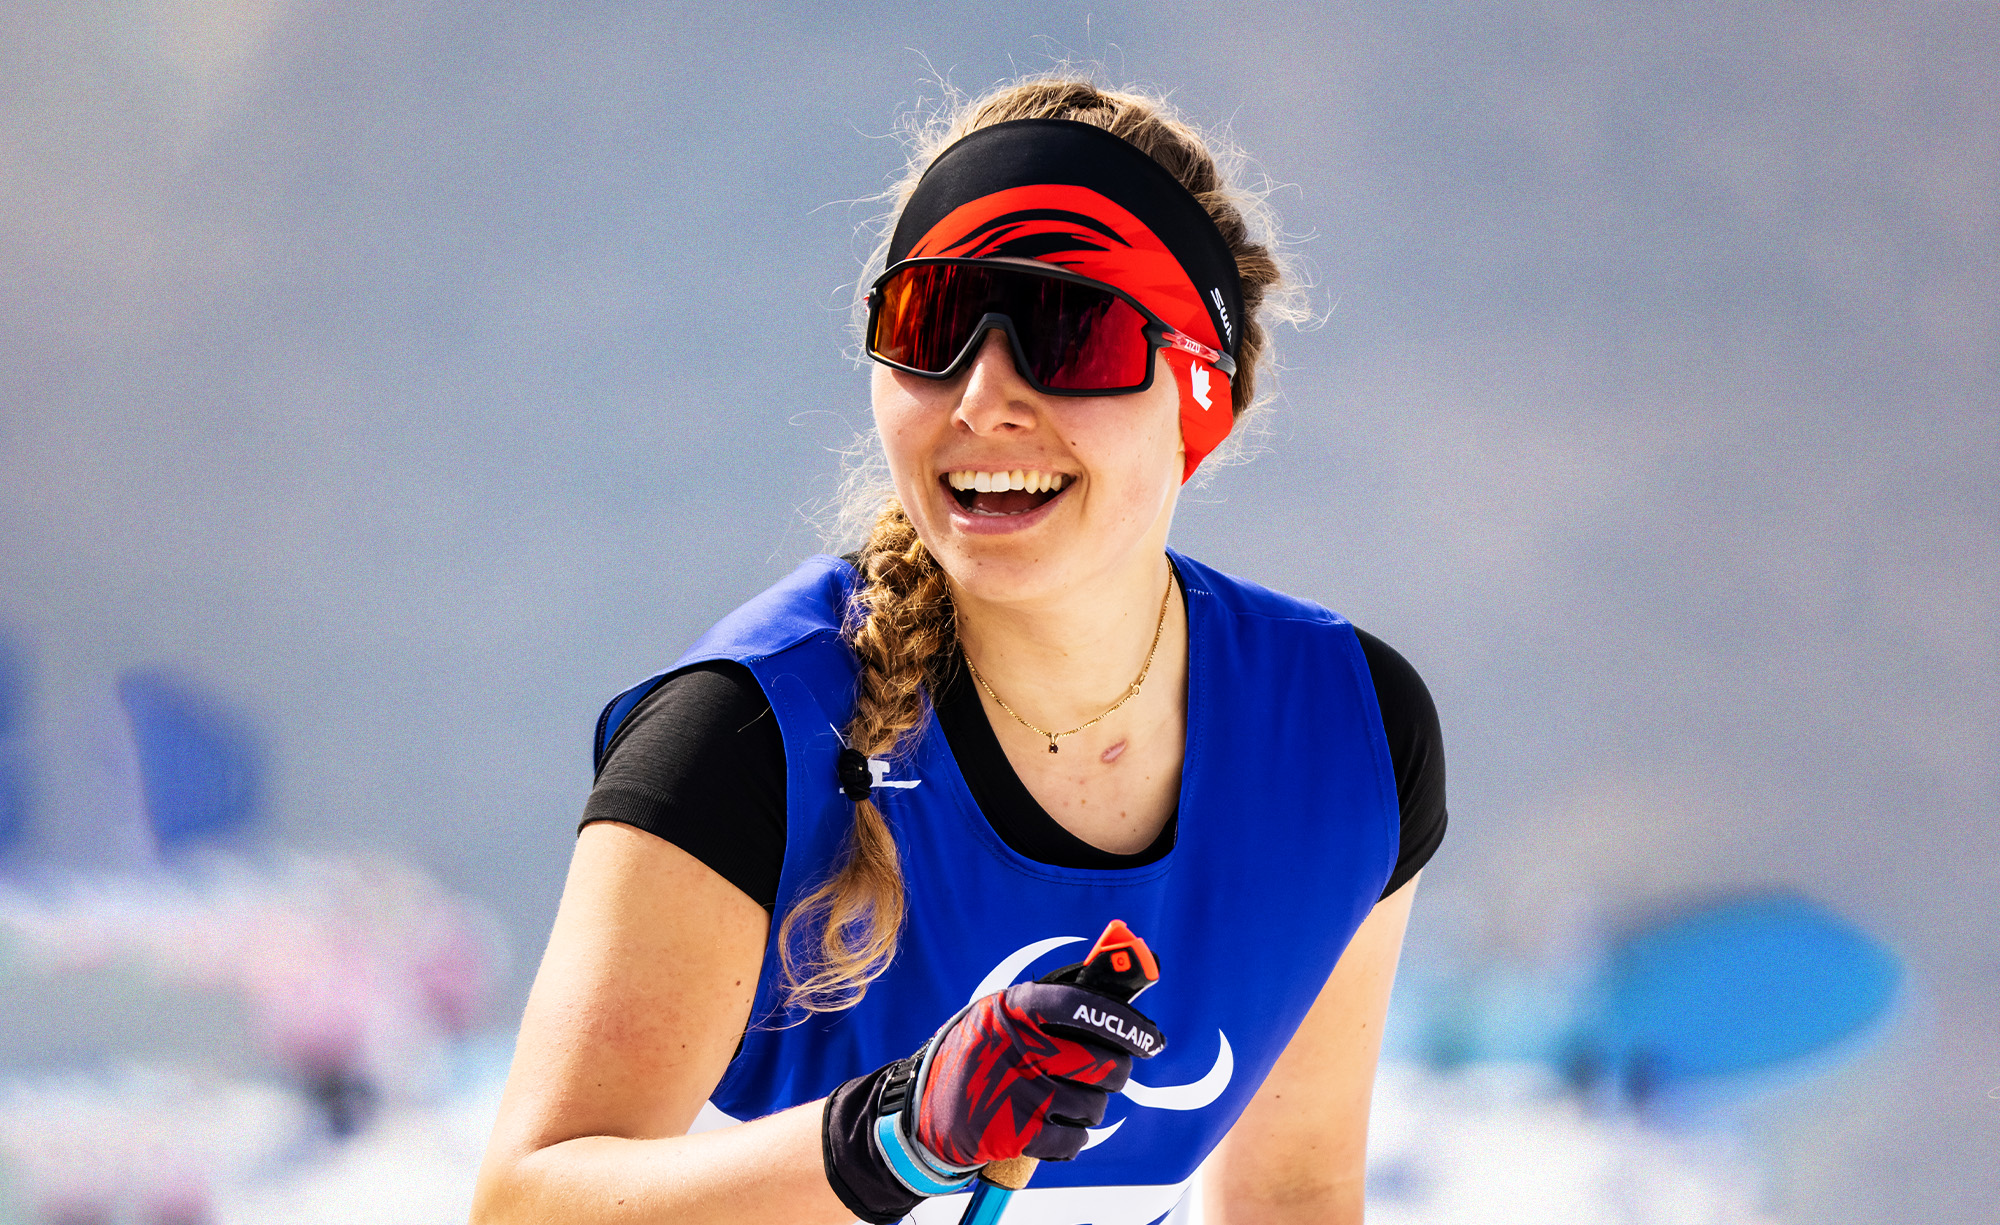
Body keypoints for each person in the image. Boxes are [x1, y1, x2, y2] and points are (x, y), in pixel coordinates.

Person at [472, 77, 1446, 1225]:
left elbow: (1291, 1191)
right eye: (929, 326)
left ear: (1200, 393)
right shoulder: (745, 735)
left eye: (1068, 335)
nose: (981, 399)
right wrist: (899, 1133)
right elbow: (526, 1203)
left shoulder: (1346, 737)